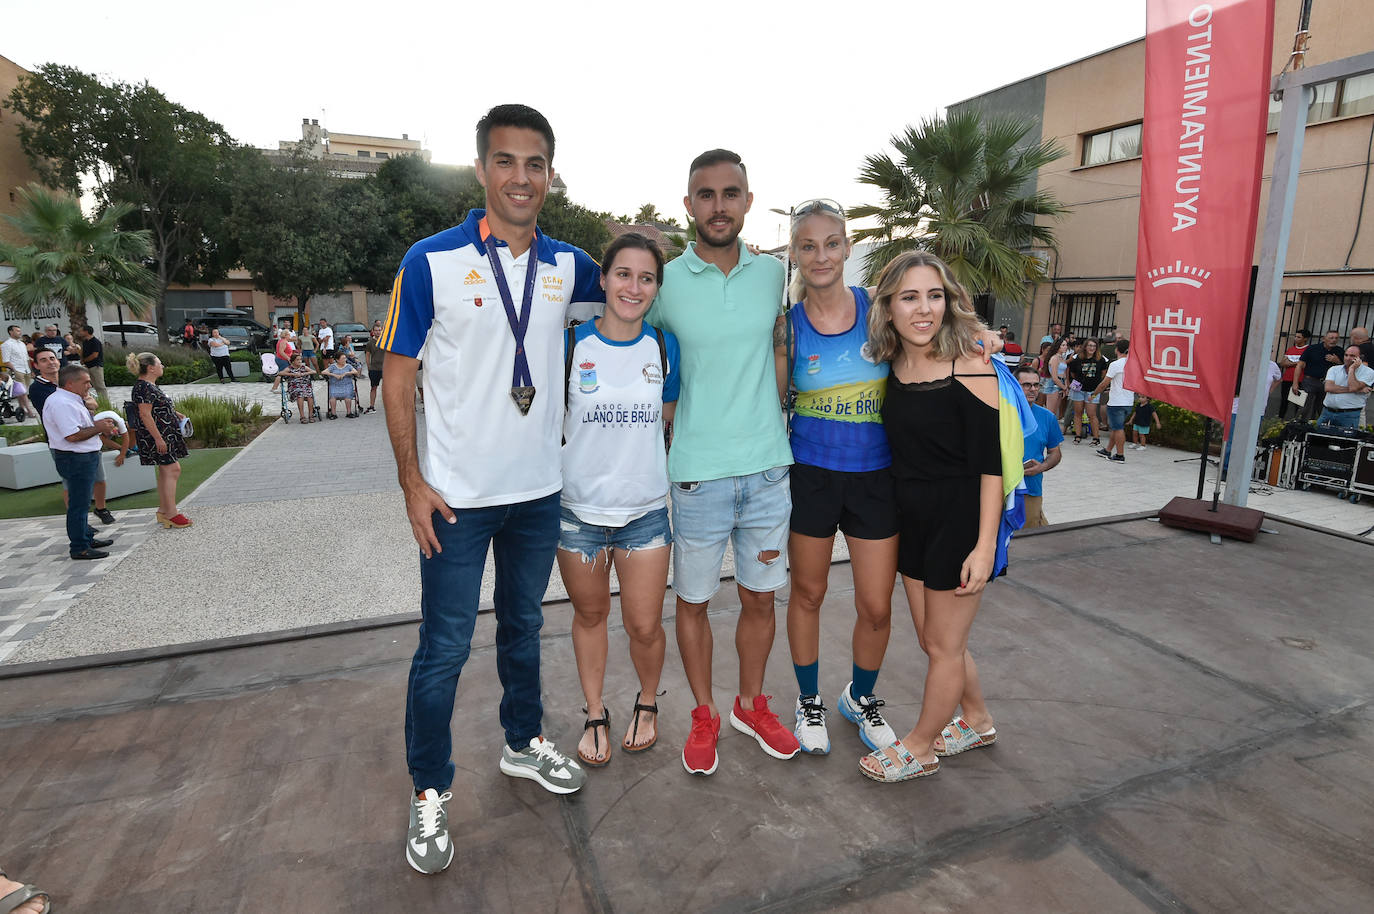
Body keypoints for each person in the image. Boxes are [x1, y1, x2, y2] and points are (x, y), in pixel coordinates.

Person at [380, 103, 601, 875]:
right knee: (442, 651)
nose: (521, 177)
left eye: (535, 163)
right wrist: (411, 482)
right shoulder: (430, 261)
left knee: (520, 631)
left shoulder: (571, 267)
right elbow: (397, 377)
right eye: (505, 161)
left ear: (549, 174)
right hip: (455, 500)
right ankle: (430, 791)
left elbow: (645, 290)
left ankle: (521, 743)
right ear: (480, 170)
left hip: (538, 493)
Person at [645, 149, 801, 774]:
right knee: (693, 602)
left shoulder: (772, 276)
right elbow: (620, 326)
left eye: (730, 193)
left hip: (767, 469)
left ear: (747, 202)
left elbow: (808, 327)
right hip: (697, 473)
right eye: (705, 195)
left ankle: (750, 704)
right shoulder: (665, 281)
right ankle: (705, 713)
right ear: (688, 205)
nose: (718, 205)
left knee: (762, 599)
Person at [859, 251, 1007, 783]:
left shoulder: (968, 361)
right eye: (910, 297)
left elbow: (991, 465)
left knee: (944, 647)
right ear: (889, 306)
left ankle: (920, 746)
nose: (925, 309)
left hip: (959, 522)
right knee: (934, 640)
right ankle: (978, 719)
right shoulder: (891, 361)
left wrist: (985, 546)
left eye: (935, 295)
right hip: (911, 520)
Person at [776, 200, 899, 756]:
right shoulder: (789, 329)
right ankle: (809, 703)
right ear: (795, 254)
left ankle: (861, 697)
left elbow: (938, 339)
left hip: (876, 478)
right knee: (808, 592)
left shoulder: (882, 309)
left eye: (831, 243)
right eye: (808, 245)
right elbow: (771, 399)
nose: (820, 255)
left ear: (848, 247)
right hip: (813, 477)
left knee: (876, 606)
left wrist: (980, 340)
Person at [558, 233, 679, 767]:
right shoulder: (568, 344)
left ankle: (648, 703)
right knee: (589, 616)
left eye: (646, 277)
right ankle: (594, 712)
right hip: (577, 513)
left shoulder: (663, 346)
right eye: (623, 274)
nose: (634, 286)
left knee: (645, 625)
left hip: (646, 513)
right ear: (604, 280)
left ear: (656, 287)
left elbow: (668, 421)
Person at [42, 364, 118, 560]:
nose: (89, 385)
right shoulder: (61, 403)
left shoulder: (72, 400)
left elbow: (81, 427)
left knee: (82, 501)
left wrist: (100, 427)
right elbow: (73, 435)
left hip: (84, 456)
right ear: (70, 383)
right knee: (79, 504)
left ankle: (86, 537)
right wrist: (98, 427)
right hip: (75, 458)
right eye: (85, 382)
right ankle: (79, 547)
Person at [127, 352, 192, 529]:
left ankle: (165, 509)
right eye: (159, 363)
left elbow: (154, 407)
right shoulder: (144, 387)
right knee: (172, 469)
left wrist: (174, 413)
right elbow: (145, 414)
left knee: (166, 470)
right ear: (151, 368)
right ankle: (171, 512)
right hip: (159, 435)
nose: (162, 366)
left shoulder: (147, 386)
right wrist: (158, 438)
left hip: (165, 433)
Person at [1016, 365, 1063, 527]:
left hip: (1031, 489)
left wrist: (1041, 467)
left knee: (1029, 541)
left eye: (1036, 385)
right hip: (999, 490)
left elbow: (1055, 452)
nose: (1033, 389)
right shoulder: (999, 414)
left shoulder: (1047, 417)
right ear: (1014, 386)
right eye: (1026, 385)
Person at [1093, 337, 1133, 463]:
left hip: (1117, 402)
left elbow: (1104, 383)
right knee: (1116, 427)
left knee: (1118, 428)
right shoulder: (1133, 364)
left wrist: (1094, 394)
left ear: (1117, 350)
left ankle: (1120, 455)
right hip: (1128, 401)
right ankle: (1108, 449)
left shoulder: (1115, 365)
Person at [1318, 345, 1373, 429]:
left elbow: (1353, 387)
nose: (1347, 358)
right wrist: (1358, 390)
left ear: (1360, 357)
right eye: (1346, 355)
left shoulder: (1368, 372)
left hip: (1349, 414)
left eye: (1352, 356)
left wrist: (1352, 369)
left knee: (1347, 441)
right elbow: (1328, 388)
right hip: (1327, 412)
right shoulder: (1334, 369)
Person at [1294, 330, 1344, 421]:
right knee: (1305, 408)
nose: (1334, 340)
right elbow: (1299, 365)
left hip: (1328, 383)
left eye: (1336, 338)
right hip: (1310, 381)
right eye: (1331, 338)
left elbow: (1345, 369)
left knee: (1323, 408)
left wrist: (1338, 361)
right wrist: (1295, 383)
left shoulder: (1340, 351)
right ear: (1324, 339)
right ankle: (1299, 427)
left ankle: (1320, 429)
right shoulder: (1312, 348)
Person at [1067, 338, 1108, 445]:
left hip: (1093, 390)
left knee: (1092, 414)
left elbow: (1103, 374)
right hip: (1079, 389)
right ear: (1085, 346)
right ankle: (1078, 435)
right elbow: (1072, 373)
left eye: (1094, 346)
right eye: (1090, 345)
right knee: (1078, 413)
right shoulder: (1077, 359)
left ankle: (1096, 438)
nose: (1092, 348)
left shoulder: (1101, 360)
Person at [1, 325, 38, 417]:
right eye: (17, 331)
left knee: (21, 392)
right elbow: (6, 360)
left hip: (26, 370)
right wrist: (15, 371)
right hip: (17, 370)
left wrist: (31, 370)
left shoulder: (22, 344)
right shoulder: (7, 344)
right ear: (11, 332)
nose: (19, 332)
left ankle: (22, 409)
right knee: (22, 392)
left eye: (19, 331)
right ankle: (29, 411)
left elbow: (27, 358)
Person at [1279, 330, 1310, 419]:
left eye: (1299, 337)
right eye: (1295, 336)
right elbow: (1283, 363)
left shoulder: (1308, 350)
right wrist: (1297, 363)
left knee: (1297, 403)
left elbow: (1305, 364)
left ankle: (1296, 420)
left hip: (1300, 380)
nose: (1296, 339)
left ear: (1305, 339)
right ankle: (1280, 419)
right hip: (1287, 379)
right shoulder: (1291, 349)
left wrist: (1291, 362)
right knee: (1284, 401)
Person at [281, 353, 318, 423]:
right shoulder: (289, 368)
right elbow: (280, 373)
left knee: (310, 395)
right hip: (295, 387)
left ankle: (311, 415)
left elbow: (314, 371)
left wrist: (304, 374)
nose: (300, 361)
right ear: (293, 361)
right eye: (297, 360)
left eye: (300, 359)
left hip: (305, 386)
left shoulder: (303, 367)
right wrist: (292, 374)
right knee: (300, 395)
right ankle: (302, 416)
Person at [324, 349, 361, 418]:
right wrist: (334, 375)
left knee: (347, 395)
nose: (345, 359)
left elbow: (356, 372)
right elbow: (324, 372)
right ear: (337, 360)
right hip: (335, 385)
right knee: (332, 396)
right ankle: (333, 413)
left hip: (346, 385)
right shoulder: (333, 366)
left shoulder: (348, 366)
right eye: (343, 358)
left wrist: (346, 373)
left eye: (345, 358)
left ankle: (349, 412)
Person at [74, 324, 107, 399]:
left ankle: (105, 401)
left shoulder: (95, 342)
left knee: (100, 385)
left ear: (86, 332)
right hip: (87, 366)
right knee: (91, 384)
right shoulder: (85, 342)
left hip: (95, 366)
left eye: (81, 331)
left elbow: (95, 355)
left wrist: (84, 360)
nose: (80, 333)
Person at [26, 349, 60, 417]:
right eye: (44, 360)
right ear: (36, 366)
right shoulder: (36, 388)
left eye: (52, 358)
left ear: (58, 362)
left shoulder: (70, 381)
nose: (50, 362)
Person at [1046, 336, 1070, 421]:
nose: (1065, 347)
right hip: (1054, 385)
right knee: (1050, 412)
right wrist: (1064, 387)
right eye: (1063, 345)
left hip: (1061, 383)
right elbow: (1054, 377)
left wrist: (1065, 386)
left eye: (1066, 345)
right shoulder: (1054, 358)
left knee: (1055, 412)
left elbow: (1064, 374)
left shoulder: (1062, 358)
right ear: (1058, 346)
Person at [364, 324, 385, 413]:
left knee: (388, 388)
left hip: (385, 368)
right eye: (376, 330)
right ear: (373, 331)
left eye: (379, 330)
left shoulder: (385, 341)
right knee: (373, 388)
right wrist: (369, 367)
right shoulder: (370, 343)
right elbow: (367, 355)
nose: (378, 332)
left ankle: (391, 406)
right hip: (374, 369)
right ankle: (372, 406)